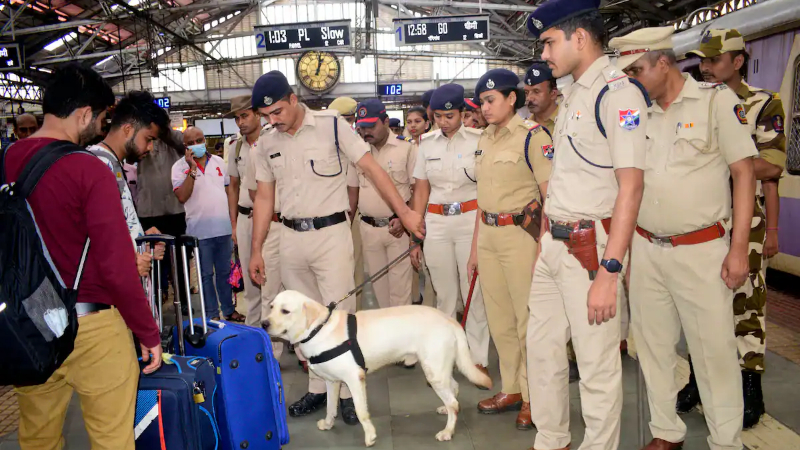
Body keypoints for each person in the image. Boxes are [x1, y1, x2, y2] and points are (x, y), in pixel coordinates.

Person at [247, 71, 424, 424]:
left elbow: (371, 169)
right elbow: (264, 198)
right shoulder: (267, 143)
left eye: (278, 112)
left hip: (331, 236)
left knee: (338, 317)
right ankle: (317, 388)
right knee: (301, 322)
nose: (273, 120)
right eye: (267, 116)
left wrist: (404, 212)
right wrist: (256, 249)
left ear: (294, 100)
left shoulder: (331, 126)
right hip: (291, 238)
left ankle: (346, 391)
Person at [612, 26, 757, 450]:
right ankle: (666, 432)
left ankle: (725, 441)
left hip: (701, 250)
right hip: (646, 247)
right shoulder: (634, 113)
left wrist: (738, 249)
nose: (632, 79)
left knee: (713, 355)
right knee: (653, 350)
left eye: (637, 69)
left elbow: (744, 173)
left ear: (663, 63)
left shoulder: (715, 102)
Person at [7, 63, 162, 450]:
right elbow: (115, 264)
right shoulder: (88, 169)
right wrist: (146, 331)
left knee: (38, 439)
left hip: (31, 324)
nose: (101, 125)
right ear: (82, 114)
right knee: (112, 438)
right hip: (93, 325)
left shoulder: (5, 162)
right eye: (102, 116)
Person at [524, 1, 649, 449]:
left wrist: (610, 272)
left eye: (549, 43)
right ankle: (552, 439)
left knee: (596, 366)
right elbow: (564, 176)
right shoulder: (574, 91)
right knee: (541, 353)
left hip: (591, 249)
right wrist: (544, 237)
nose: (544, 55)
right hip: (555, 244)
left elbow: (630, 188)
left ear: (580, 38)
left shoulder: (618, 94)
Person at [677, 28, 787, 428]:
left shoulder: (762, 103)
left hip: (745, 221)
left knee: (746, 304)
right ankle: (695, 380)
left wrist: (718, 164)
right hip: (700, 217)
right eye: (702, 60)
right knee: (697, 301)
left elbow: (773, 164)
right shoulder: (691, 103)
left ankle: (749, 385)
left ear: (738, 62)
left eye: (713, 60)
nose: (705, 67)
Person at [468, 68, 553, 430]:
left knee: (526, 321)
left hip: (521, 236)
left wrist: (544, 247)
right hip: (487, 234)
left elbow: (550, 197)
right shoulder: (484, 138)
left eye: (490, 100)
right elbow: (482, 198)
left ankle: (536, 398)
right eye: (482, 102)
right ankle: (512, 388)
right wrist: (474, 249)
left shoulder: (532, 137)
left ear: (511, 99)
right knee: (500, 320)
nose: (484, 108)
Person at [410, 84, 490, 379]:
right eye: (439, 117)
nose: (443, 122)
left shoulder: (479, 140)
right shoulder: (426, 144)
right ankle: (444, 358)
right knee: (444, 295)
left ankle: (477, 357)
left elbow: (486, 187)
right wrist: (416, 232)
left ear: (462, 113)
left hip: (470, 219)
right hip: (437, 222)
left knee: (474, 292)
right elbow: (421, 189)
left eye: (449, 116)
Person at [87, 90, 170, 274]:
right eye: (148, 139)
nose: (150, 147)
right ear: (128, 129)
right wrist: (131, 260)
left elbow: (115, 226)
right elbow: (98, 237)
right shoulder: (100, 165)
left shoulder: (112, 163)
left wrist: (141, 238)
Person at [172, 126, 244, 322]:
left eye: (200, 140)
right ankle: (212, 315)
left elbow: (230, 193)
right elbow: (182, 196)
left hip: (224, 229)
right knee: (205, 276)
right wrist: (192, 169)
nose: (197, 145)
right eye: (191, 143)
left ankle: (228, 310)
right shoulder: (179, 167)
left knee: (224, 273)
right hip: (199, 231)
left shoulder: (219, 162)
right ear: (185, 146)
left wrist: (234, 223)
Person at [351, 98, 417, 309]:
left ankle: (402, 341)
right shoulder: (357, 151)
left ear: (386, 121)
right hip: (369, 229)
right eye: (362, 127)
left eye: (371, 126)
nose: (366, 132)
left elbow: (417, 189)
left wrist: (405, 219)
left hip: (398, 230)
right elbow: (353, 190)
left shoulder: (406, 149)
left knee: (400, 293)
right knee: (380, 292)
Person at [226, 95, 265, 327]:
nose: (240, 122)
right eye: (237, 118)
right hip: (245, 218)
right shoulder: (236, 147)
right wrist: (233, 224)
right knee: (251, 285)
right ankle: (253, 333)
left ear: (258, 114)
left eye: (245, 115)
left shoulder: (272, 142)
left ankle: (281, 333)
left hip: (271, 220)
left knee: (275, 278)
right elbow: (233, 187)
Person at [523, 62, 559, 132]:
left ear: (553, 94)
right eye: (526, 93)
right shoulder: (524, 129)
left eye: (536, 92)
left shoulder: (567, 122)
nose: (529, 98)